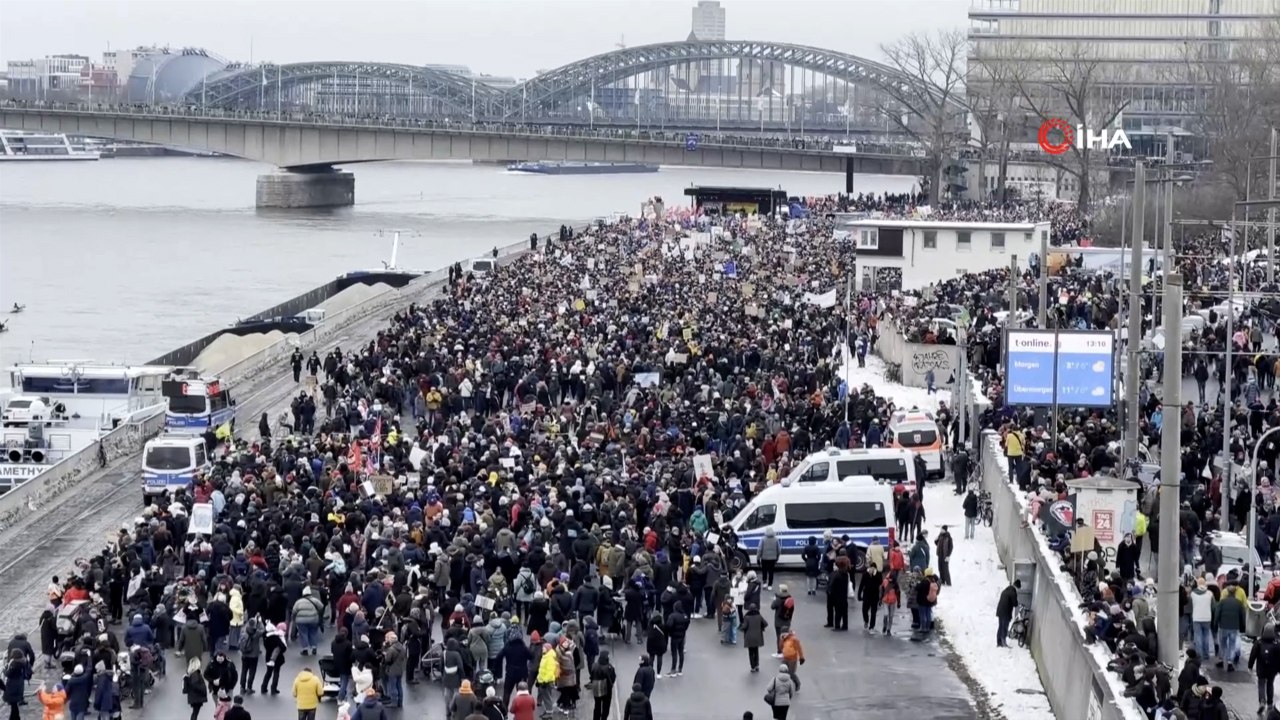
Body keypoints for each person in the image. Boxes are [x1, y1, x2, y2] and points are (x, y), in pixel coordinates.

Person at [589, 649, 617, 720]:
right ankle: (604, 718)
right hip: (607, 690)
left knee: (597, 705)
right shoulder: (609, 667)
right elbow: (613, 677)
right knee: (606, 706)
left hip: (596, 688)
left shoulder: (594, 665)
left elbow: (591, 676)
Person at [260, 622, 287, 695]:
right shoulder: (276, 638)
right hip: (278, 658)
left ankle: (263, 687)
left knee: (268, 672)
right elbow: (283, 647)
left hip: (268, 656)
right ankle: (273, 688)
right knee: (276, 673)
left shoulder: (266, 637)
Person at [742, 604, 768, 673]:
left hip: (749, 637)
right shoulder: (759, 616)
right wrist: (760, 627)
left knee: (750, 652)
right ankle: (756, 665)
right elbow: (765, 623)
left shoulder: (747, 617)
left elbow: (744, 627)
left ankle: (752, 666)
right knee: (756, 651)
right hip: (757, 637)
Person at [996, 580, 1021, 648]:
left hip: (1000, 611)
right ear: (1017, 587)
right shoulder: (1013, 592)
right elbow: (1015, 603)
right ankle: (1003, 642)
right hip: (1006, 613)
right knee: (1004, 627)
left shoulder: (1005, 590)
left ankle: (999, 642)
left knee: (1001, 626)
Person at [859, 564, 882, 631]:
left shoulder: (878, 574)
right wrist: (859, 594)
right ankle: (866, 620)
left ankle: (872, 626)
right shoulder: (865, 574)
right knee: (864, 610)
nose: (872, 569)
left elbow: (880, 583)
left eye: (873, 568)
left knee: (873, 613)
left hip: (875, 596)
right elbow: (861, 584)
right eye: (871, 568)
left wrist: (874, 575)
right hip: (866, 595)